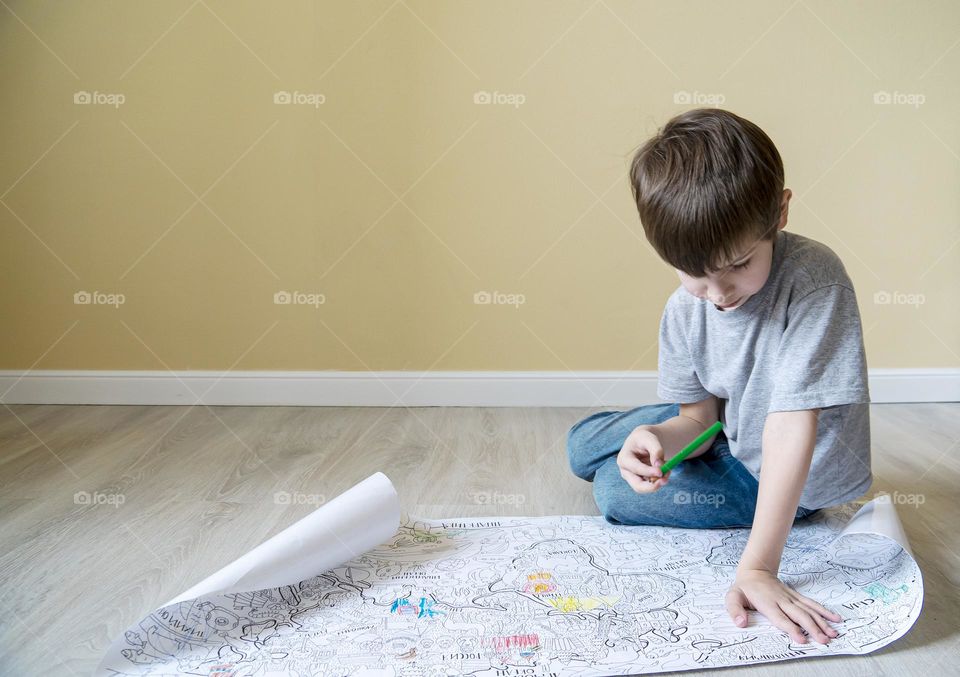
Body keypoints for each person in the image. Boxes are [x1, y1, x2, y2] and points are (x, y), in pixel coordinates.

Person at [567, 108, 871, 646]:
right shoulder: (685, 308)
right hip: (729, 431)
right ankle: (629, 437)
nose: (720, 293)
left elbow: (790, 428)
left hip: (784, 477)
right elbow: (697, 419)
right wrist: (660, 437)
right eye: (696, 276)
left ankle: (632, 449)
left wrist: (758, 568)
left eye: (738, 264)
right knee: (584, 444)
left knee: (616, 492)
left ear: (778, 213)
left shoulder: (815, 282)